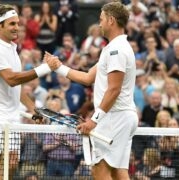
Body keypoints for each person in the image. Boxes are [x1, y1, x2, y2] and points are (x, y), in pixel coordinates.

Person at [45, 2, 138, 179]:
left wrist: (94, 120)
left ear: (111, 20)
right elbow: (88, 78)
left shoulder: (116, 50)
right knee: (119, 173)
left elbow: (114, 89)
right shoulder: (112, 48)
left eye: (101, 19)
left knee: (100, 171)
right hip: (121, 117)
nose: (99, 24)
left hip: (114, 118)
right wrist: (58, 67)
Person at [0, 4, 57, 180]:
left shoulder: (12, 49)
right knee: (7, 162)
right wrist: (45, 68)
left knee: (11, 164)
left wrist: (32, 108)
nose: (17, 27)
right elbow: (12, 79)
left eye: (17, 23)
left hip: (12, 113)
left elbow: (16, 87)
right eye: (12, 24)